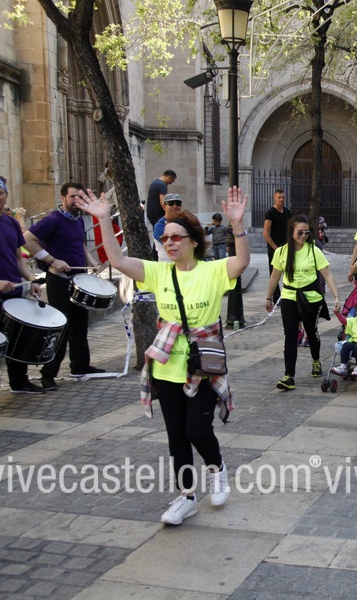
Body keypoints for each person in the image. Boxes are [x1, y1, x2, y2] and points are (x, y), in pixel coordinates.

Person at [77, 185, 250, 526]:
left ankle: (217, 468)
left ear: (194, 241)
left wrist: (237, 224)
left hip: (203, 365)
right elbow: (118, 261)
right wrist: (103, 220)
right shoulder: (159, 272)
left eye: (176, 237)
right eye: (165, 238)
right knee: (176, 436)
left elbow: (242, 261)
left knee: (197, 429)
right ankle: (186, 497)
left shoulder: (213, 271)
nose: (169, 243)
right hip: (166, 366)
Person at [23, 182, 105, 390]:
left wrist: (92, 262)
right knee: (60, 328)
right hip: (59, 281)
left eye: (80, 197)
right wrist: (52, 260)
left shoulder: (78, 220)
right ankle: (48, 374)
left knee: (80, 326)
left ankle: (80, 366)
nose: (77, 201)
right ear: (62, 198)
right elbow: (27, 239)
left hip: (80, 280)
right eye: (73, 197)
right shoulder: (52, 220)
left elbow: (80, 244)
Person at [266, 215, 341, 391]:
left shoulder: (314, 251)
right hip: (289, 297)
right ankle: (289, 376)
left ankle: (316, 360)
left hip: (311, 298)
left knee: (311, 333)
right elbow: (275, 276)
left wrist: (336, 296)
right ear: (291, 232)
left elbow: (327, 274)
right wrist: (268, 297)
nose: (303, 236)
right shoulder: (281, 252)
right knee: (290, 336)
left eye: (307, 232)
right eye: (300, 232)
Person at [0, 175, 44, 398]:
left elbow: (18, 256)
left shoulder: (10, 222)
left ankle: (19, 382)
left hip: (15, 291)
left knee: (19, 339)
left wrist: (31, 279)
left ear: (6, 195)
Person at [263, 189, 292, 303]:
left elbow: (290, 228)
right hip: (274, 247)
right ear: (274, 198)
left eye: (283, 197)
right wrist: (275, 247)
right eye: (279, 197)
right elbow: (265, 233)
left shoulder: (287, 212)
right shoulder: (270, 213)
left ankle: (287, 294)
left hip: (286, 246)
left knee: (288, 270)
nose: (281, 200)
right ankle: (276, 297)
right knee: (274, 271)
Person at [152, 194, 184, 263]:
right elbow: (175, 244)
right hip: (167, 265)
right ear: (164, 207)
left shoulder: (184, 222)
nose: (175, 206)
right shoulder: (160, 226)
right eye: (171, 203)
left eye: (178, 203)